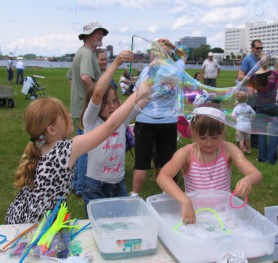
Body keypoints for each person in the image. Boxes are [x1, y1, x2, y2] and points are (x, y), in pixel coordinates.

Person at [4, 50, 144, 224]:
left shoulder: (40, 146)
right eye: (64, 114)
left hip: (21, 217)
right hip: (35, 226)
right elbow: (111, 125)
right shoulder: (66, 150)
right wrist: (137, 93)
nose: (70, 114)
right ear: (52, 130)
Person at [156, 107, 262, 224]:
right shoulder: (186, 153)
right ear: (194, 132)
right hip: (195, 213)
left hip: (224, 214)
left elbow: (256, 174)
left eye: (215, 137)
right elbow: (163, 177)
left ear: (223, 132)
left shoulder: (229, 149)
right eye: (203, 138)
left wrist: (248, 180)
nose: (209, 143)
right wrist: (184, 200)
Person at [81, 50, 144, 212]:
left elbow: (141, 102)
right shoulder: (91, 122)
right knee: (97, 226)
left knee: (120, 222)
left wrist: (154, 80)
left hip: (119, 184)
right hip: (95, 186)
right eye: (105, 102)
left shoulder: (121, 120)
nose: (111, 106)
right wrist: (116, 63)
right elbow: (97, 92)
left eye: (115, 101)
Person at [131, 38, 183, 196]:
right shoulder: (177, 68)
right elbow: (182, 57)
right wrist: (172, 46)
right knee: (169, 161)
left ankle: (134, 195)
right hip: (168, 121)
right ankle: (168, 194)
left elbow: (138, 93)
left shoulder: (149, 70)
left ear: (154, 53)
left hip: (145, 119)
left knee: (141, 163)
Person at [67, 21, 108, 197]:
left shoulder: (83, 53)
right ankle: (81, 187)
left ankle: (76, 182)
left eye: (101, 33)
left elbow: (70, 77)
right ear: (88, 36)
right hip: (86, 107)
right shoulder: (86, 54)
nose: (101, 36)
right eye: (98, 33)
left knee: (80, 145)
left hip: (80, 105)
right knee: (85, 147)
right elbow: (84, 77)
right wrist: (94, 97)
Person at [248, 56, 278, 165]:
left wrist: (256, 91)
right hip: (273, 105)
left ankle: (262, 157)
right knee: (274, 132)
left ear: (259, 63)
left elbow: (250, 93)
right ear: (269, 63)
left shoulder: (254, 76)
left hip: (260, 105)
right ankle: (271, 159)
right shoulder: (274, 74)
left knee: (262, 133)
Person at [236, 39, 263, 148]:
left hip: (258, 93)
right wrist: (254, 79)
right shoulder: (247, 60)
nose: (259, 50)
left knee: (255, 117)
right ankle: (242, 141)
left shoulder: (260, 60)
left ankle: (253, 142)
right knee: (246, 117)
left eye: (261, 48)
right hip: (248, 93)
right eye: (257, 48)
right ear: (252, 48)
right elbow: (240, 76)